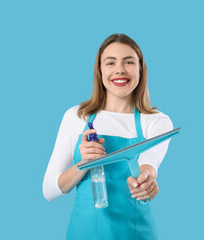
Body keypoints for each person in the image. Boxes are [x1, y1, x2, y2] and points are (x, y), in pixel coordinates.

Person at [43, 33, 173, 240]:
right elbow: (50, 190)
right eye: (110, 62)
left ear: (140, 68)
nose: (119, 70)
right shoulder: (77, 117)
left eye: (129, 62)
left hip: (136, 233)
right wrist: (84, 163)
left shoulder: (156, 122)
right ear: (100, 71)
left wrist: (147, 181)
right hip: (84, 233)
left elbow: (149, 163)